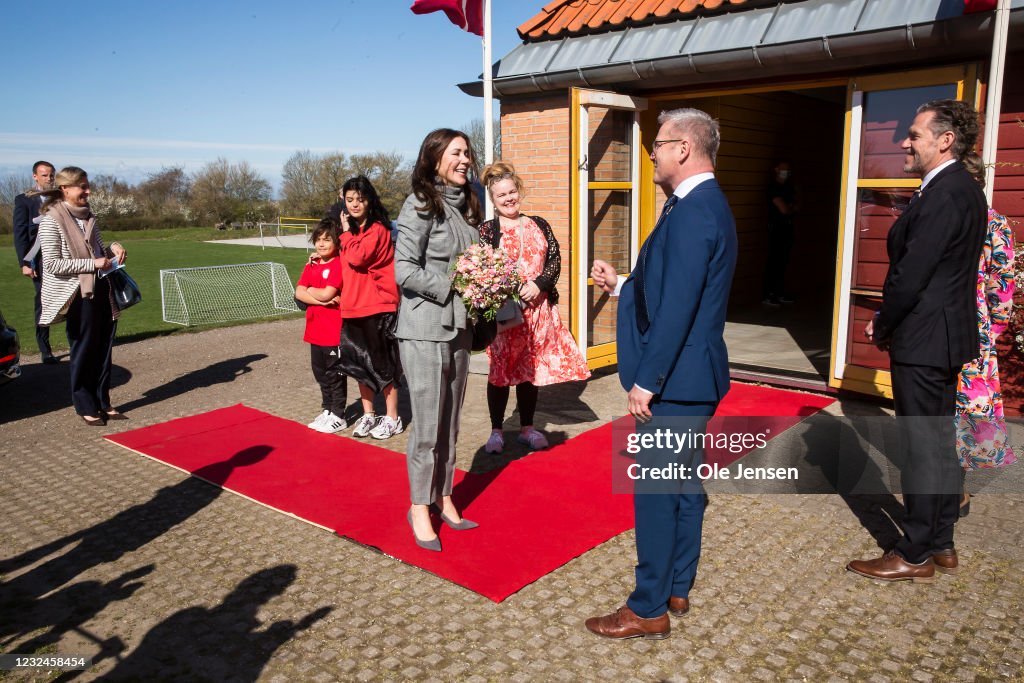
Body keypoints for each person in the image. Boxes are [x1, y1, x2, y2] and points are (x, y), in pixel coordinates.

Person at [588, 108, 737, 639]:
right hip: (694, 376)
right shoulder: (697, 205)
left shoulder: (696, 210)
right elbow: (674, 288)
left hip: (677, 382)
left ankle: (647, 608)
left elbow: (678, 308)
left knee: (655, 493)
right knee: (683, 488)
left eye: (657, 143)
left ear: (683, 149)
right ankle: (677, 584)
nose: (650, 151)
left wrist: (647, 380)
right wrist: (623, 285)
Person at [849, 99, 988, 582]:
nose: (903, 143)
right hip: (940, 335)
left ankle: (913, 553)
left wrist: (884, 322)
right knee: (938, 442)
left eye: (913, 134)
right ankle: (941, 540)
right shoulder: (956, 188)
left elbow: (913, 273)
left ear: (945, 140)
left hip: (926, 338)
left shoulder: (947, 192)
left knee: (921, 447)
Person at [394, 128, 482, 552]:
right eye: (456, 153)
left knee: (450, 422)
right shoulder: (419, 204)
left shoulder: (467, 207)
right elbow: (404, 269)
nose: (465, 159)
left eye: (468, 152)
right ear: (433, 159)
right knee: (427, 425)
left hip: (460, 328)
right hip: (424, 328)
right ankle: (417, 507)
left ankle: (444, 495)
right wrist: (452, 285)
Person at [477, 161, 590, 453]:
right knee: (500, 372)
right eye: (502, 195)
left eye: (512, 191)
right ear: (493, 199)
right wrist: (510, 290)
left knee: (530, 371)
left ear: (520, 191)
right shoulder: (488, 230)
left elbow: (554, 259)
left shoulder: (538, 223)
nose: (509, 198)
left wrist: (539, 283)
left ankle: (527, 427)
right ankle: (496, 431)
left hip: (538, 312)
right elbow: (482, 269)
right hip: (505, 314)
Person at [34, 167, 127, 425]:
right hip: (76, 294)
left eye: (87, 186)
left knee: (104, 348)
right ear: (65, 189)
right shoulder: (51, 220)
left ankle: (103, 402)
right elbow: (52, 264)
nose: (87, 191)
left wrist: (114, 248)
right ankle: (85, 405)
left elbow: (100, 249)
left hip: (101, 290)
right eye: (82, 187)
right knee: (84, 349)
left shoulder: (89, 216)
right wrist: (93, 264)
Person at [954, 164, 1016, 520]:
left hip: (972, 326)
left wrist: (991, 329)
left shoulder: (991, 222)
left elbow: (1002, 285)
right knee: (959, 409)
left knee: (962, 408)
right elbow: (1003, 286)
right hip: (970, 325)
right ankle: (949, 490)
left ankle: (954, 492)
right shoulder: (986, 221)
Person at [336, 175, 403, 440]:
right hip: (352, 307)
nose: (354, 204)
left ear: (369, 200)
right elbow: (344, 262)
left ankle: (392, 417)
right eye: (349, 199)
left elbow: (358, 256)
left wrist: (344, 234)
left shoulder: (377, 229)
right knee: (358, 365)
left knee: (383, 365)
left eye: (359, 199)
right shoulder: (351, 233)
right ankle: (368, 414)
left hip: (377, 307)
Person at [295, 218, 346, 434]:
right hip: (314, 330)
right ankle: (327, 409)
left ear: (336, 242)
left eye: (327, 239)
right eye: (318, 239)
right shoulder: (312, 264)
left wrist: (312, 293)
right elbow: (298, 292)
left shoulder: (338, 263)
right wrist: (322, 300)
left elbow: (325, 291)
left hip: (333, 332)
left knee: (335, 374)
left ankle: (339, 414)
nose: (322, 244)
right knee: (320, 373)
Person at [13, 161, 58, 364]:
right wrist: (24, 262)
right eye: (44, 175)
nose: (48, 178)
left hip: (62, 255)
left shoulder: (60, 198)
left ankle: (78, 342)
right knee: (43, 300)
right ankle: (45, 348)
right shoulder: (24, 200)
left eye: (51, 175)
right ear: (35, 176)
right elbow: (20, 233)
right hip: (38, 258)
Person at [762, 160, 797, 306]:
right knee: (774, 262)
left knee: (783, 262)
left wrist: (789, 208)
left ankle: (780, 293)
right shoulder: (773, 187)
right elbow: (784, 208)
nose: (786, 172)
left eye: (788, 170)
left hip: (787, 229)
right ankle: (769, 295)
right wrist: (789, 208)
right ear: (776, 169)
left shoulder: (788, 187)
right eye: (784, 169)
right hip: (775, 230)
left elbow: (796, 205)